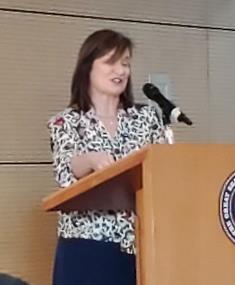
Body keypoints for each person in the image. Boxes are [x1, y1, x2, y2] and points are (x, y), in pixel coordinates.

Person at [48, 29, 166, 285]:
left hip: (143, 244)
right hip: (87, 248)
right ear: (87, 67)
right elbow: (67, 167)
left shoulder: (147, 118)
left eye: (125, 63)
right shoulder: (66, 122)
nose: (121, 71)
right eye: (111, 62)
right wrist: (90, 160)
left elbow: (164, 170)